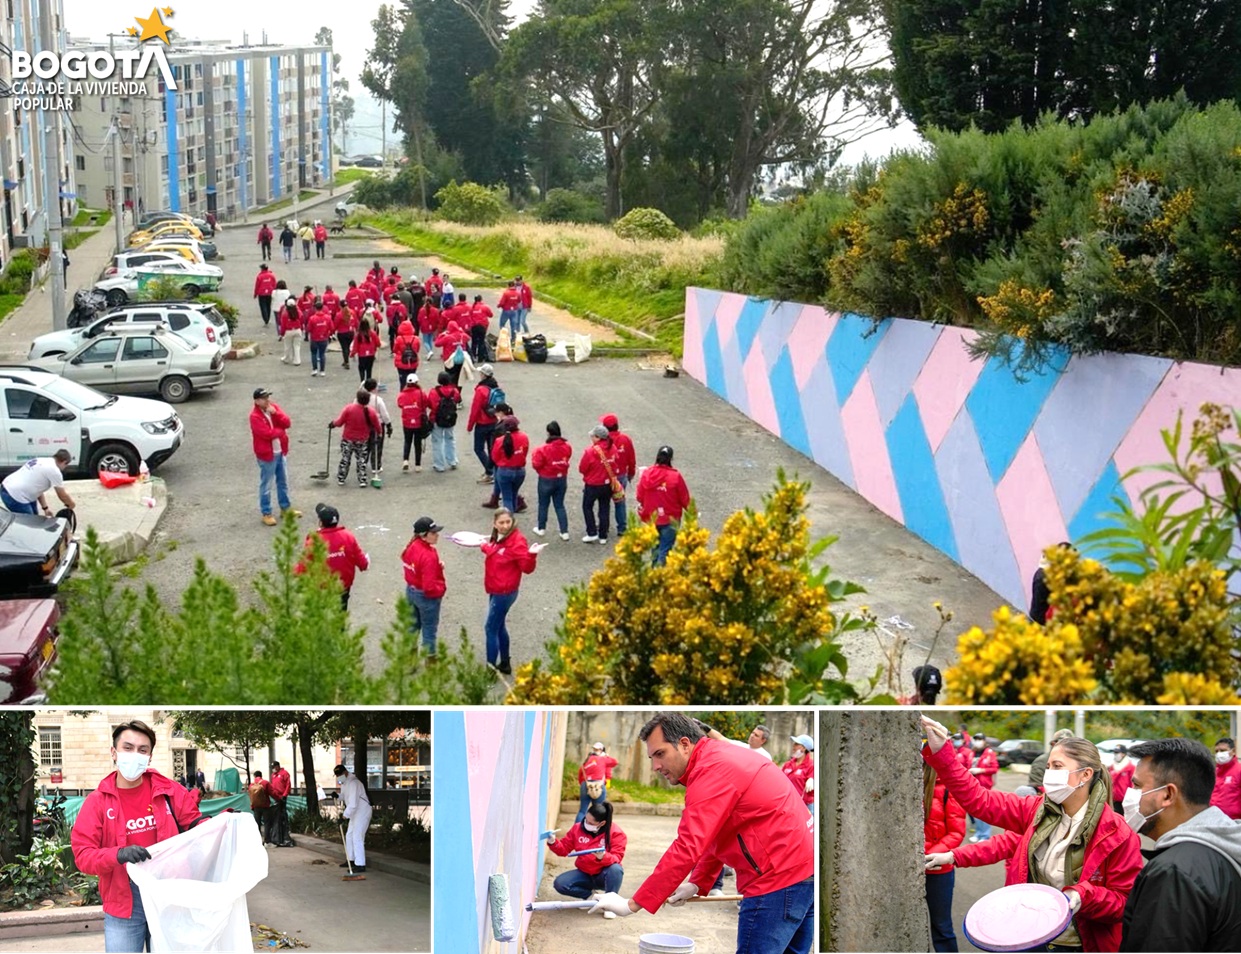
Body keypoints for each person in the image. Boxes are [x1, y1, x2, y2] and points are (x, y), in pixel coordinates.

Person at [589, 712, 815, 954]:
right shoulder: (718, 757)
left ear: (685, 744)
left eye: (660, 754)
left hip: (779, 878)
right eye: (652, 757)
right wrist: (698, 883)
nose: (655, 766)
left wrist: (633, 904)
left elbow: (688, 845)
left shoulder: (711, 771)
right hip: (805, 870)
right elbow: (719, 831)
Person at [922, 717, 1142, 953]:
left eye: (1057, 767)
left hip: (1079, 945)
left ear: (1085, 774)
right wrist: (942, 752)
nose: (1049, 774)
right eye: (1048, 767)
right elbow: (979, 800)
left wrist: (1082, 896)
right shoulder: (1036, 811)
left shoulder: (1117, 833)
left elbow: (1124, 902)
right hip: (1029, 937)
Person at [71, 720, 209, 952]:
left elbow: (195, 823)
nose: (135, 755)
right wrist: (118, 854)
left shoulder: (168, 791)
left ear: (150, 756)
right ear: (114, 752)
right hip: (124, 900)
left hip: (168, 895)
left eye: (142, 750)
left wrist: (224, 824)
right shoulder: (98, 801)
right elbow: (83, 856)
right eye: (128, 748)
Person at [1119, 738, 1241, 952]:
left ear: (1168, 795)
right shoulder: (1222, 848)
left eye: (1137, 785)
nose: (1130, 795)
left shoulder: (1173, 872)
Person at [478, 508, 542, 673]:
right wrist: (484, 546)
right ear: (495, 523)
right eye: (501, 522)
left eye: (508, 522)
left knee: (490, 629)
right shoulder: (498, 537)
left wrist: (532, 555)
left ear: (513, 521)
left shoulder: (517, 541)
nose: (505, 525)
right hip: (496, 588)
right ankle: (505, 663)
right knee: (499, 627)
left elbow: (526, 568)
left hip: (504, 592)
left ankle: (490, 670)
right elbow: (496, 551)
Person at [548, 801, 627, 916]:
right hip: (585, 873)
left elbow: (617, 857)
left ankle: (610, 904)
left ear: (602, 823)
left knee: (616, 869)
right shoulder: (577, 829)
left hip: (603, 874)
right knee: (560, 883)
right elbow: (564, 849)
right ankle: (589, 896)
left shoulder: (616, 833)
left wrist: (603, 857)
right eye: (586, 819)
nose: (586, 823)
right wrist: (553, 842)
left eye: (591, 822)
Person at [923, 761, 966, 953]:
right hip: (908, 868)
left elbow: (957, 832)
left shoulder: (949, 787)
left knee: (941, 927)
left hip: (938, 869)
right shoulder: (907, 783)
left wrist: (929, 856)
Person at [295, 503, 370, 611]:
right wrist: (364, 565)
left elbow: (304, 564)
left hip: (321, 586)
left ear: (320, 522)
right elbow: (361, 561)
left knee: (321, 611)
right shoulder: (348, 536)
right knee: (340, 611)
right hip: (343, 585)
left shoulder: (314, 541)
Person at [249, 389, 300, 527]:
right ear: (257, 401)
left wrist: (275, 414)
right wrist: (281, 432)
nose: (267, 400)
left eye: (267, 397)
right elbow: (267, 434)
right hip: (267, 455)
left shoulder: (274, 408)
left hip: (280, 451)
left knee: (283, 481)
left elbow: (287, 422)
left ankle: (285, 508)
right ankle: (266, 512)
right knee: (266, 484)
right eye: (264, 398)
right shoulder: (254, 416)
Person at [635, 445, 690, 565]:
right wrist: (692, 512)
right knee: (665, 549)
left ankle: (654, 573)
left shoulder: (647, 474)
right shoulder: (675, 476)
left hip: (652, 518)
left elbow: (639, 496)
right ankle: (661, 575)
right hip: (670, 518)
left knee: (655, 548)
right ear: (670, 458)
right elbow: (684, 497)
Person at [402, 516, 446, 658]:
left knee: (412, 627)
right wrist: (441, 590)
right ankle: (430, 665)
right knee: (429, 631)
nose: (437, 535)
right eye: (433, 533)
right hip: (425, 597)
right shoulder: (429, 555)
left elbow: (415, 567)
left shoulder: (412, 546)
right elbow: (429, 587)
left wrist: (436, 568)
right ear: (423, 536)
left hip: (411, 591)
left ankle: (410, 660)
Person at [329, 389, 382, 488]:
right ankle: (362, 479)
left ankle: (341, 477)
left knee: (345, 458)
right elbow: (377, 425)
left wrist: (333, 424)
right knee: (361, 460)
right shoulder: (370, 412)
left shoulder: (349, 409)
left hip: (348, 438)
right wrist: (379, 433)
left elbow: (340, 422)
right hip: (362, 439)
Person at [1, 449, 75, 515]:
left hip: (7, 487)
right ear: (64, 462)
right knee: (30, 525)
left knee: (35, 520)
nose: (64, 468)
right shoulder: (55, 471)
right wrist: (71, 504)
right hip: (15, 496)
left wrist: (45, 508)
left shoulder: (40, 460)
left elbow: (38, 489)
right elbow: (62, 495)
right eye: (66, 465)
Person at [532, 421, 572, 540]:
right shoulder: (567, 446)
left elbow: (536, 464)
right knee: (559, 505)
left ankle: (541, 528)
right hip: (561, 479)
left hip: (546, 479)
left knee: (543, 504)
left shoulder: (543, 449)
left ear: (548, 433)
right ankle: (564, 531)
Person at [579, 425, 619, 544]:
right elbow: (615, 464)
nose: (591, 438)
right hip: (607, 484)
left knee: (587, 507)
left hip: (592, 484)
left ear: (598, 438)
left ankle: (591, 532)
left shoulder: (590, 451)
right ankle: (603, 535)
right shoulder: (613, 448)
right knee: (604, 508)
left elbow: (582, 468)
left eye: (593, 436)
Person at [599, 414, 636, 535]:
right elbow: (631, 459)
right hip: (621, 476)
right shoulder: (626, 439)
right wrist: (631, 473)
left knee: (604, 503)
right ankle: (622, 527)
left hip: (605, 477)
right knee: (620, 502)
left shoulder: (601, 441)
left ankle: (604, 526)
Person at [334, 764, 372, 873]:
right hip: (355, 813)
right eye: (337, 775)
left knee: (357, 837)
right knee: (349, 835)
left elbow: (353, 804)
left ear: (345, 772)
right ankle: (351, 860)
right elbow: (345, 796)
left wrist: (344, 816)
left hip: (362, 811)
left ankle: (360, 864)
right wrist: (338, 796)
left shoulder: (354, 783)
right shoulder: (345, 783)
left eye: (340, 774)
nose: (338, 777)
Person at [467, 364, 503, 484]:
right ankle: (493, 472)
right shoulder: (495, 387)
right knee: (492, 448)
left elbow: (475, 409)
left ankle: (489, 472)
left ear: (483, 374)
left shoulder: (481, 390)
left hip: (482, 423)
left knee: (478, 449)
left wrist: (470, 426)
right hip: (494, 421)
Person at [491, 417, 529, 514]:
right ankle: (513, 512)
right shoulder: (524, 437)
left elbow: (494, 457)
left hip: (504, 471)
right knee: (514, 493)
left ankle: (509, 521)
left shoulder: (500, 440)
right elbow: (525, 452)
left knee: (506, 498)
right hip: (520, 471)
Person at [576, 742, 619, 823]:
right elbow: (615, 762)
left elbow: (580, 773)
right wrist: (606, 756)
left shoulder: (587, 759)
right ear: (602, 750)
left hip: (586, 784)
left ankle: (576, 830)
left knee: (582, 810)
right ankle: (597, 831)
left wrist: (583, 784)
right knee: (598, 811)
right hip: (598, 786)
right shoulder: (604, 759)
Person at [428, 371, 461, 473]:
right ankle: (452, 461)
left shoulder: (434, 392)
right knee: (450, 439)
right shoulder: (454, 391)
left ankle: (439, 465)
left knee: (437, 441)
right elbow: (457, 400)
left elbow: (430, 404)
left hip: (437, 418)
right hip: (450, 418)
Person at [967, 735, 999, 842]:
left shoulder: (989, 753)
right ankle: (978, 833)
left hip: (984, 785)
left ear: (984, 741)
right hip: (973, 785)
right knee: (976, 810)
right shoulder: (972, 752)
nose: (977, 742)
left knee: (984, 809)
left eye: (980, 739)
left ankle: (985, 835)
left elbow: (994, 768)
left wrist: (981, 770)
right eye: (975, 739)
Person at [397, 375, 432, 472]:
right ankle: (417, 465)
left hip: (407, 421)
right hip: (418, 422)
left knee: (407, 441)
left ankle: (405, 460)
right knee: (417, 443)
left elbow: (400, 404)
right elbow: (426, 404)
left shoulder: (402, 394)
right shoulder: (421, 393)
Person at [1030, 728, 1076, 793]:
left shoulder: (1075, 761)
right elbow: (1037, 788)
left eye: (1071, 744)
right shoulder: (1040, 762)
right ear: (1053, 744)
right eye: (1063, 744)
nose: (1067, 747)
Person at [702, 722, 774, 761]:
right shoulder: (741, 746)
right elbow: (721, 738)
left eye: (756, 735)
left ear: (763, 740)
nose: (752, 736)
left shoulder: (765, 756)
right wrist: (707, 729)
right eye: (752, 733)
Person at [363, 378, 393, 476]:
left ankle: (362, 463)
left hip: (364, 425)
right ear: (374, 388)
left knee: (365, 445)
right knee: (377, 445)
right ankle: (376, 466)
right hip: (377, 425)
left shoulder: (360, 399)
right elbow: (384, 414)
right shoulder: (378, 400)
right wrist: (389, 425)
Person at [1211, 737, 1241, 820]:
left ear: (1233, 751)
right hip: (1213, 820)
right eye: (1216, 751)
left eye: (1223, 750)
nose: (1219, 754)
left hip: (1234, 822)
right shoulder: (1214, 773)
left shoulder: (1239, 771)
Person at [782, 735, 815, 812]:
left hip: (805, 806)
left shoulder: (811, 766)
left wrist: (812, 779)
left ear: (804, 748)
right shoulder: (788, 765)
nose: (793, 746)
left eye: (796, 744)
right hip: (788, 805)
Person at [305, 299, 335, 378]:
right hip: (324, 338)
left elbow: (308, 329)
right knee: (322, 354)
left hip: (314, 339)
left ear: (315, 308)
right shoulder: (328, 318)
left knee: (314, 354)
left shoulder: (312, 318)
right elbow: (332, 328)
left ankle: (314, 369)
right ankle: (322, 371)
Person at [268, 761, 293, 847]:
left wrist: (285, 795)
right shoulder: (273, 775)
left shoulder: (284, 773)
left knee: (282, 814)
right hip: (276, 797)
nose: (273, 769)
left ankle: (285, 834)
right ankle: (278, 835)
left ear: (278, 766)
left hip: (282, 797)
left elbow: (288, 785)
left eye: (274, 767)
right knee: (277, 816)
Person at [351, 316, 382, 384]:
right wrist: (378, 346)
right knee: (369, 370)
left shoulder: (358, 335)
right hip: (371, 354)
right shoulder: (372, 333)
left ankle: (362, 381)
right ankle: (368, 383)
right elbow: (378, 343)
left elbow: (355, 346)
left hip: (362, 355)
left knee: (361, 369)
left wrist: (352, 354)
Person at [392, 319, 420, 390]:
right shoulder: (416, 338)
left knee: (403, 382)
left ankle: (403, 394)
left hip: (401, 362)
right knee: (412, 381)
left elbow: (394, 350)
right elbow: (417, 350)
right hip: (413, 362)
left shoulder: (399, 339)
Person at [248, 771, 272, 844]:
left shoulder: (251, 785)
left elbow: (251, 797)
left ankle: (257, 840)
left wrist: (252, 806)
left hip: (256, 807)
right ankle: (267, 840)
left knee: (257, 823)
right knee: (267, 823)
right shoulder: (266, 783)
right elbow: (272, 792)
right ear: (261, 776)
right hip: (265, 806)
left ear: (255, 776)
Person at [1110, 747, 1135, 814]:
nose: (1115, 754)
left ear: (1123, 754)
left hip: (1126, 800)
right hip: (1114, 800)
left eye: (1117, 753)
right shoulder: (1111, 767)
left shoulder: (1130, 768)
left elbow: (1133, 784)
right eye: (1115, 753)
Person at [278, 299, 304, 366]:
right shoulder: (298, 312)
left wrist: (282, 333)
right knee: (297, 346)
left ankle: (286, 358)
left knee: (287, 346)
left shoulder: (285, 314)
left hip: (288, 331)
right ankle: (297, 360)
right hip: (297, 330)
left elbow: (283, 325)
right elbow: (302, 320)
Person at [335, 298, 357, 371]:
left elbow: (336, 324)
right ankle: (346, 360)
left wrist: (332, 331)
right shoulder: (352, 312)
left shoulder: (339, 314)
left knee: (344, 348)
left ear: (340, 306)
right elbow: (356, 322)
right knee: (347, 347)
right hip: (351, 332)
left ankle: (346, 361)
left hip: (342, 333)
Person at [253, 263, 276, 328]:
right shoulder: (272, 275)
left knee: (263, 307)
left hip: (262, 294)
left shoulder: (260, 276)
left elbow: (257, 286)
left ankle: (265, 319)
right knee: (268, 306)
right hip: (269, 293)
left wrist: (255, 294)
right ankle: (267, 318)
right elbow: (274, 285)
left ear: (262, 269)